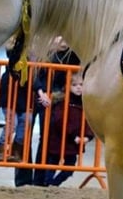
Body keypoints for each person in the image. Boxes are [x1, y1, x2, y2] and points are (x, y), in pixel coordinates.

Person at [14, 37, 81, 187]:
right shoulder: (40, 47)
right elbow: (32, 70)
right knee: (24, 136)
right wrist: (41, 92)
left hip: (54, 97)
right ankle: (22, 179)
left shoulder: (69, 54)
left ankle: (40, 179)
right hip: (32, 95)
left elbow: (72, 68)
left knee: (46, 139)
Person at [40, 71, 94, 187]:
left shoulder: (86, 103)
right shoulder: (62, 102)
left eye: (81, 84)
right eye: (74, 85)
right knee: (52, 165)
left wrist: (88, 136)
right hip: (59, 140)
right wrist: (74, 135)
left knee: (69, 169)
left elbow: (89, 121)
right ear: (67, 86)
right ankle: (47, 184)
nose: (78, 88)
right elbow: (60, 121)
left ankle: (53, 184)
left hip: (74, 143)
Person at [0, 37, 33, 162]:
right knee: (12, 123)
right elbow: (11, 51)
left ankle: (16, 151)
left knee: (26, 121)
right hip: (10, 96)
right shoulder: (14, 57)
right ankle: (1, 149)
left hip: (24, 97)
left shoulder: (31, 64)